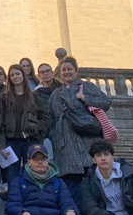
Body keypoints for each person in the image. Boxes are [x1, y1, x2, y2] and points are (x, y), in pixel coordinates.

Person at [48, 56, 112, 204]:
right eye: (64, 70)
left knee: (93, 184)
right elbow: (50, 118)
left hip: (86, 141)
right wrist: (54, 136)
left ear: (76, 71)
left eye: (69, 69)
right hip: (65, 146)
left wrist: (86, 99)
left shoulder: (86, 86)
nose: (66, 72)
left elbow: (106, 102)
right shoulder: (56, 94)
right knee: (71, 187)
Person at [0, 64, 49, 189]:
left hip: (30, 141)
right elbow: (0, 124)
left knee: (31, 173)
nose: (15, 77)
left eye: (17, 74)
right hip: (11, 141)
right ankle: (14, 198)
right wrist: (1, 145)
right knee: (12, 175)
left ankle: (31, 198)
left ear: (23, 75)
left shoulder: (34, 97)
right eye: (12, 75)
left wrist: (36, 128)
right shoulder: (4, 98)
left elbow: (46, 118)